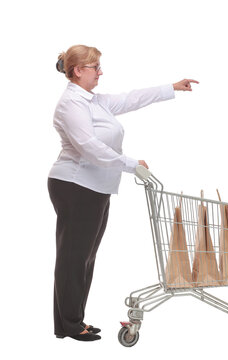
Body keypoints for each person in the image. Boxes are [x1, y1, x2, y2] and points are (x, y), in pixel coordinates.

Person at [47, 44, 199, 342]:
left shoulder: (93, 101)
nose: (100, 72)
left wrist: (172, 87)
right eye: (96, 68)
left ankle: (74, 320)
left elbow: (131, 98)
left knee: (85, 257)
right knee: (74, 258)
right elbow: (88, 147)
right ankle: (68, 324)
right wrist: (131, 164)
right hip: (76, 186)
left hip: (95, 187)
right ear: (79, 71)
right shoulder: (71, 104)